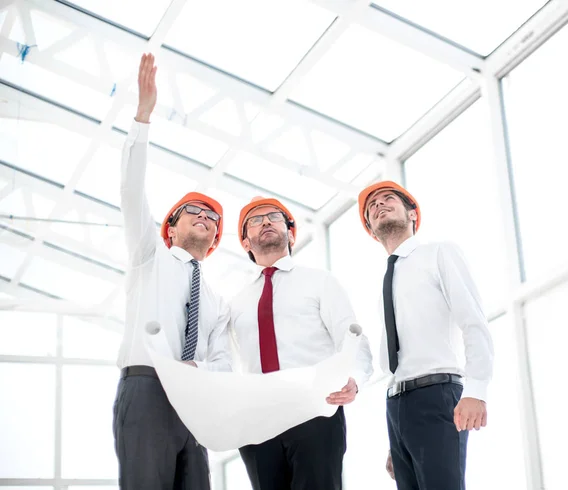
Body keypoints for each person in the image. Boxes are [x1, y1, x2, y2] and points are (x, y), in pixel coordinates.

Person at [113, 53, 231, 490]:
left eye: (212, 217)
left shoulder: (216, 300)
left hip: (194, 404)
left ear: (216, 237)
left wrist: (206, 380)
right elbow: (130, 191)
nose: (204, 217)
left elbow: (222, 359)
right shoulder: (149, 256)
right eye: (193, 211)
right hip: (145, 390)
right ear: (171, 226)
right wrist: (142, 117)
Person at [229, 196, 373, 490]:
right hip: (258, 419)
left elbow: (353, 337)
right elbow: (224, 362)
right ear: (245, 242)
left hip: (314, 408)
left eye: (274, 217)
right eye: (255, 220)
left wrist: (354, 379)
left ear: (291, 233)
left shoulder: (320, 282)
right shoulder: (234, 304)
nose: (266, 221)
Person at [356, 181, 494, 490]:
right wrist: (399, 436)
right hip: (398, 405)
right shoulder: (386, 279)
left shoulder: (439, 253)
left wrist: (476, 389)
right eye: (372, 206)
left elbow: (473, 320)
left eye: (388, 198)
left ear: (412, 214)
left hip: (437, 395)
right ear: (370, 229)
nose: (379, 205)